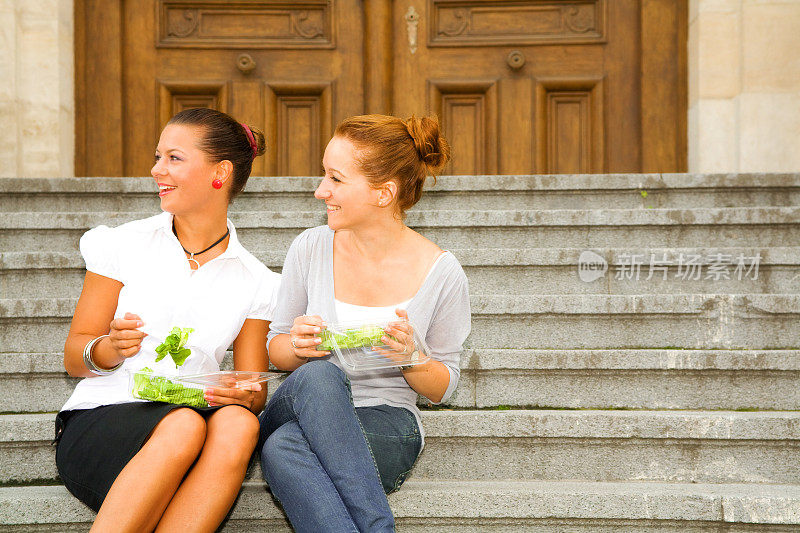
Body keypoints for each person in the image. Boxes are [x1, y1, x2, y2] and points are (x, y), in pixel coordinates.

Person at [55, 108, 280, 532]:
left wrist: (239, 392)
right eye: (158, 157)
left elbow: (255, 389)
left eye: (174, 158)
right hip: (105, 421)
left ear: (221, 172)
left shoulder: (258, 282)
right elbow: (74, 357)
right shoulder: (122, 245)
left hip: (193, 427)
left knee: (236, 423)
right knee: (182, 424)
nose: (157, 170)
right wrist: (109, 347)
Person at [258, 114, 472, 532]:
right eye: (325, 176)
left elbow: (445, 385)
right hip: (303, 404)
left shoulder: (443, 273)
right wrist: (297, 346)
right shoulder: (310, 248)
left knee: (283, 449)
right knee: (321, 376)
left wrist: (413, 359)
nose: (321, 191)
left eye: (335, 179)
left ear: (383, 192)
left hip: (387, 419)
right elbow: (275, 349)